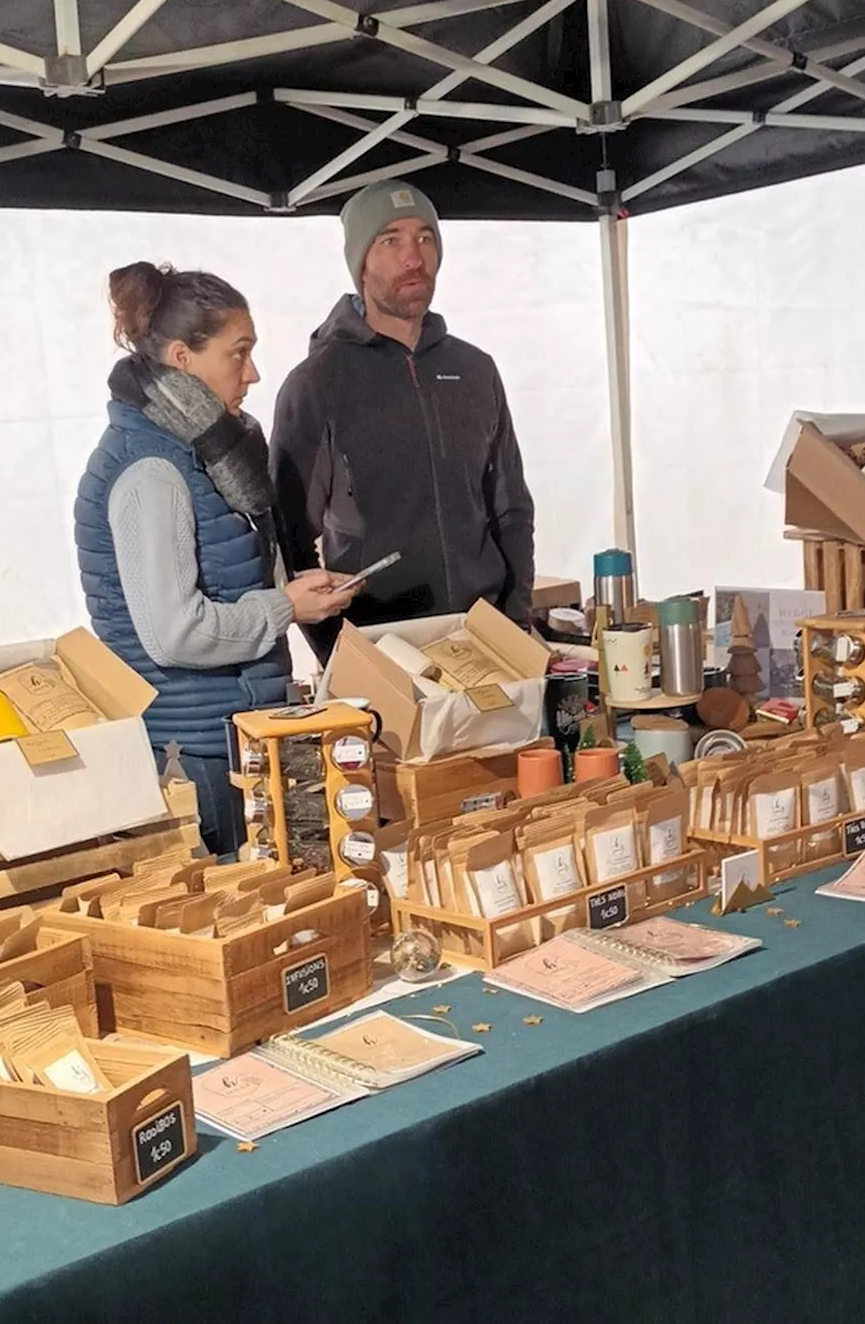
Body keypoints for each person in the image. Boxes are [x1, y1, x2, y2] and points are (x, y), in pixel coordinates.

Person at [75, 262, 355, 854]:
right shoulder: (152, 470)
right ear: (182, 357)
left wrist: (293, 589)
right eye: (238, 353)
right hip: (195, 755)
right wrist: (283, 608)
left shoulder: (205, 452)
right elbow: (175, 633)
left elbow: (223, 580)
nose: (252, 374)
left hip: (234, 736)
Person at [268, 181, 535, 654]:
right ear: (361, 263)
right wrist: (342, 652)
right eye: (390, 240)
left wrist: (512, 622)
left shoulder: (475, 370)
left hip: (483, 640)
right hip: (382, 647)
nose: (413, 258)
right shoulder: (317, 383)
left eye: (425, 238)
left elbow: (511, 508)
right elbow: (289, 540)